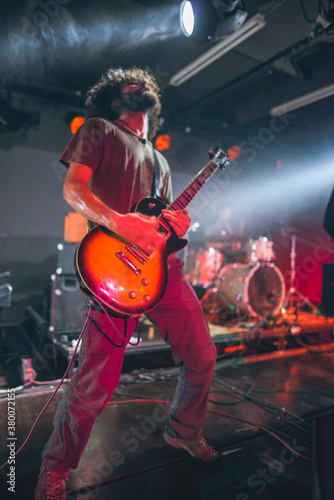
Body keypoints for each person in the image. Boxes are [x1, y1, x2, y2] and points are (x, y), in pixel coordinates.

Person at [34, 67, 222, 500]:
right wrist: (122, 222)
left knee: (202, 356)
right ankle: (55, 467)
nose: (140, 91)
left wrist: (177, 222)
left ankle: (183, 432)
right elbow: (73, 188)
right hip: (116, 269)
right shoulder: (99, 130)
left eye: (144, 87)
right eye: (129, 89)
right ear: (115, 101)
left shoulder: (161, 161)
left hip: (164, 272)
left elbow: (165, 228)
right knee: (96, 380)